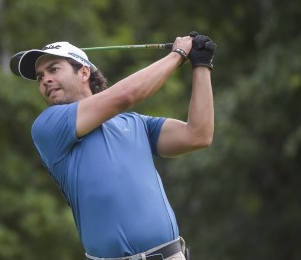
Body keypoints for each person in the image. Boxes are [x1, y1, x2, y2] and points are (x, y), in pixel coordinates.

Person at [15, 32, 216, 260]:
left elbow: (198, 135)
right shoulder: (49, 125)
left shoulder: (135, 123)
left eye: (53, 69)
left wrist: (201, 64)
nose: (45, 80)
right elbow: (126, 95)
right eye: (40, 77)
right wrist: (178, 55)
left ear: (83, 71)